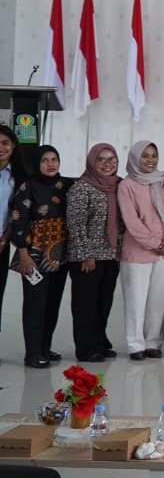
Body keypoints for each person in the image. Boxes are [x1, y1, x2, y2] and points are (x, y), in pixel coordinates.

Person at [117, 141, 164, 361]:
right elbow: (132, 222)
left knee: (158, 300)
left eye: (154, 155)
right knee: (136, 300)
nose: (150, 160)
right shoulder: (127, 185)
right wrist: (156, 243)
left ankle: (153, 343)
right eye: (145, 156)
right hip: (137, 252)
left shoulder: (163, 182)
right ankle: (135, 344)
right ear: (135, 158)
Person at [11, 145, 71, 368]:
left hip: (58, 254)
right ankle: (33, 353)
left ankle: (45, 347)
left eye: (54, 159)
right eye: (45, 160)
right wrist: (23, 254)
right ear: (37, 163)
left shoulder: (65, 186)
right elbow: (18, 222)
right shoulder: (28, 186)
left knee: (52, 303)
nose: (50, 164)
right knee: (35, 305)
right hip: (33, 254)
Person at [66, 143, 121, 363]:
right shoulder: (82, 187)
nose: (107, 164)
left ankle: (99, 342)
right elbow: (75, 224)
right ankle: (86, 348)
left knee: (103, 303)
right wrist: (86, 254)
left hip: (111, 255)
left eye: (111, 159)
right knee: (85, 304)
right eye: (101, 159)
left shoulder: (118, 185)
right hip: (87, 257)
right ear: (91, 162)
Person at [0, 126, 22, 346]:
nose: (1, 148)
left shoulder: (18, 176)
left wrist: (5, 240)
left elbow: (16, 213)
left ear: (13, 146)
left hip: (2, 244)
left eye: (5, 143)